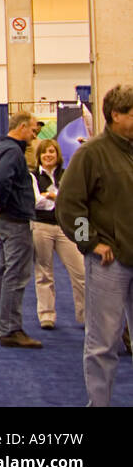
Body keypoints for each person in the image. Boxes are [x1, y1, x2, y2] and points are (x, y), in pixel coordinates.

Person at [56, 84, 133, 407]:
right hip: (110, 263)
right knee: (103, 343)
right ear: (116, 115)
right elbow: (69, 206)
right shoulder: (92, 153)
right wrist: (91, 242)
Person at [0, 112, 42, 348]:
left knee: (5, 271)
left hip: (5, 219)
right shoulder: (13, 151)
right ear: (23, 126)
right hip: (15, 219)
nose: (35, 134)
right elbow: (2, 179)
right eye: (33, 130)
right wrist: (1, 202)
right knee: (16, 274)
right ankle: (10, 329)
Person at [31, 138, 84, 331]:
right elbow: (35, 202)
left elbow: (75, 198)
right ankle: (46, 315)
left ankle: (85, 315)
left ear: (57, 154)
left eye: (52, 151)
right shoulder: (33, 177)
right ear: (39, 156)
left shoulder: (67, 174)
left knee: (80, 273)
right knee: (44, 272)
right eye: (44, 152)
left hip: (65, 228)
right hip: (41, 226)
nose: (48, 155)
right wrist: (58, 197)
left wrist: (52, 196)